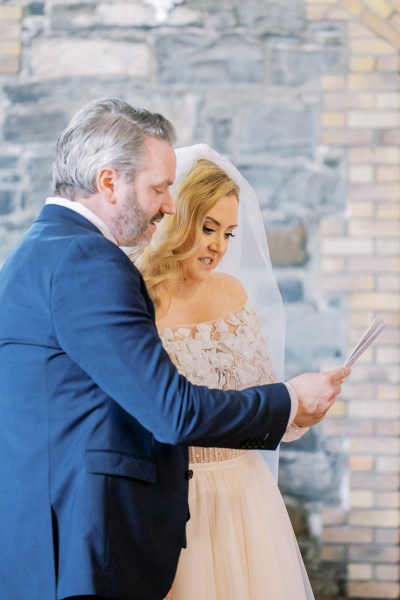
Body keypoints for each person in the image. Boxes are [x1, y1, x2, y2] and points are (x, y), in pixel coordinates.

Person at [0, 98, 349, 600]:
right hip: (81, 536)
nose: (167, 204)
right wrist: (289, 399)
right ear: (108, 182)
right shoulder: (86, 261)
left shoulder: (41, 248)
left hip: (51, 526)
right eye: (159, 188)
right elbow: (172, 411)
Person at [134, 144, 323, 599]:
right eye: (208, 227)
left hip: (244, 493)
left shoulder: (233, 293)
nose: (218, 246)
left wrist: (300, 408)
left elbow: (259, 395)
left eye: (229, 234)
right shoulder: (132, 295)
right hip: (173, 499)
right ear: (177, 217)